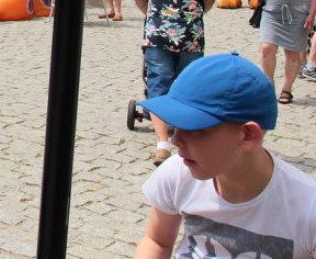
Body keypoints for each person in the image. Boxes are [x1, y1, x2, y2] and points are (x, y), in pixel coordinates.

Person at [133, 53, 316, 258]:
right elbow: (156, 240)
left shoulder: (306, 207)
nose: (175, 140)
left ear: (248, 135)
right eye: (176, 126)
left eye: (195, 129)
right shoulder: (177, 172)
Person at [133, 0, 215, 165]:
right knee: (188, 83)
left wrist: (154, 16)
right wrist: (192, 16)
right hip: (191, 33)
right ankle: (185, 137)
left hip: (158, 32)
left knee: (158, 82)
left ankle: (162, 144)